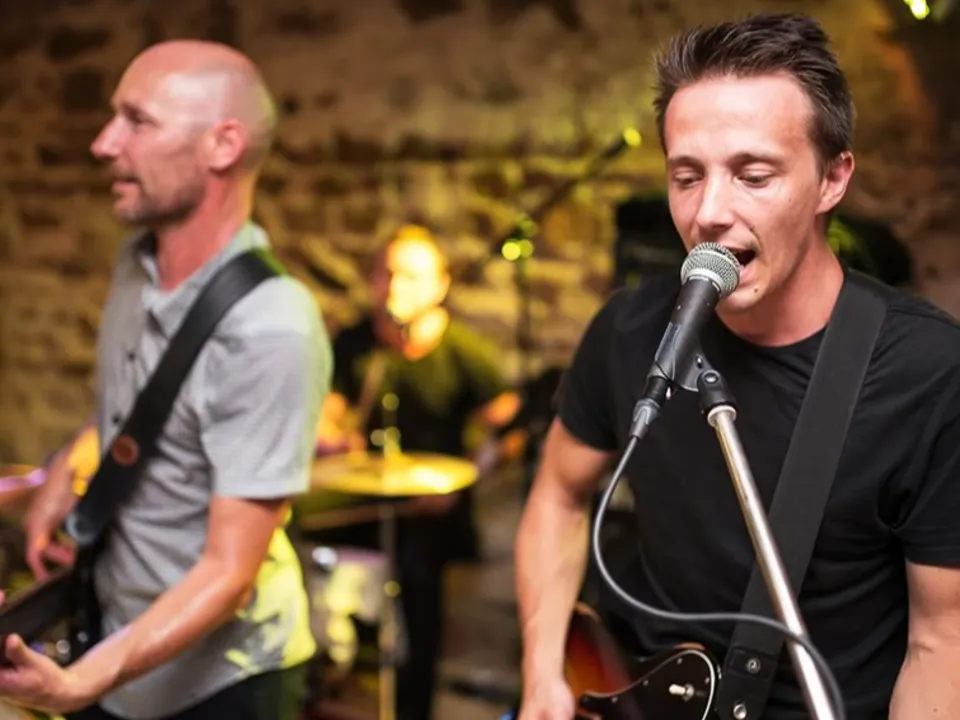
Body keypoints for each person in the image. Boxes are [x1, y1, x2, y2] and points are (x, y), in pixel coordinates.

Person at [515, 13, 960, 720]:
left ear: (832, 179)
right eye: (686, 177)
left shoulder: (929, 373)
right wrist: (542, 670)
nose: (710, 212)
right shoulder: (628, 331)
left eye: (753, 176)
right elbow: (559, 497)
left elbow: (941, 641)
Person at [0, 40, 331, 719]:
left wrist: (82, 682)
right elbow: (145, 399)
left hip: (224, 684)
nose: (102, 143)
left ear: (222, 145)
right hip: (118, 641)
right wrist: (68, 468)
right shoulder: (136, 261)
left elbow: (230, 573)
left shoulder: (272, 326)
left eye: (137, 120)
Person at [311, 224, 522, 720]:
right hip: (366, 500)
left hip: (433, 509)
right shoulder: (358, 344)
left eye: (408, 276)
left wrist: (471, 475)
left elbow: (511, 426)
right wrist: (332, 438)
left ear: (439, 285)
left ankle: (411, 706)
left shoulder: (463, 352)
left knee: (418, 572)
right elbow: (326, 415)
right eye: (386, 274)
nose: (395, 287)